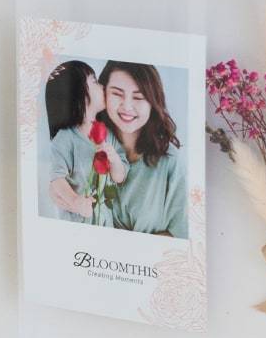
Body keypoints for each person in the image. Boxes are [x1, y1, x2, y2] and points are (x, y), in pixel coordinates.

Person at [98, 61, 188, 237]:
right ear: (104, 95)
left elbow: (181, 234)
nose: (127, 106)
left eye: (138, 97)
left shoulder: (170, 161)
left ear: (153, 103)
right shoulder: (90, 146)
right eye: (117, 94)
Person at [44, 60, 127, 224]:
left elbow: (119, 176)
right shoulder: (65, 139)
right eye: (94, 81)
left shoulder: (109, 135)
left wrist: (114, 159)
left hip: (105, 222)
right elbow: (57, 179)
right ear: (78, 95)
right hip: (77, 220)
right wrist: (75, 201)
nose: (102, 86)